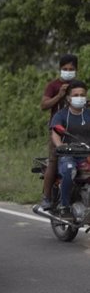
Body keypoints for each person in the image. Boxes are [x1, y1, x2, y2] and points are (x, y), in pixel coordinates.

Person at [40, 54, 79, 210]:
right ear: (60, 69)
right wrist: (59, 95)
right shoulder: (53, 86)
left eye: (71, 69)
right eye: (65, 69)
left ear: (77, 70)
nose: (68, 72)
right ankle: (47, 196)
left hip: (77, 130)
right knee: (54, 161)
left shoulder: (78, 86)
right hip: (58, 130)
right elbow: (44, 105)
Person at [49, 80, 90, 218]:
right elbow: (55, 133)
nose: (80, 97)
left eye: (82, 95)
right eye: (76, 95)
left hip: (87, 155)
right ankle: (64, 206)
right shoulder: (60, 115)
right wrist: (61, 146)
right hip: (69, 155)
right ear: (68, 98)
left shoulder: (89, 114)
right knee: (68, 169)